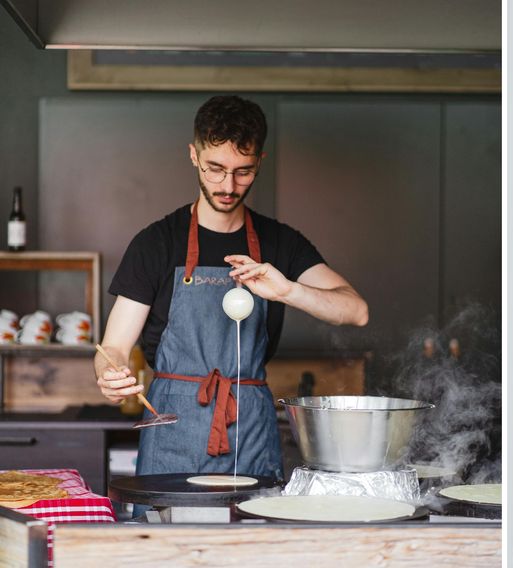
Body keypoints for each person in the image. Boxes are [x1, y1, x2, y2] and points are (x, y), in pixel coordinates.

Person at [94, 96, 368, 492]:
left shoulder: (280, 243)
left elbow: (355, 310)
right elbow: (113, 348)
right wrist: (110, 375)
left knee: (251, 545)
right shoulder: (156, 243)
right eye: (216, 169)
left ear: (259, 162)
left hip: (250, 429)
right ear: (194, 155)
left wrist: (289, 290)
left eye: (243, 172)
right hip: (173, 428)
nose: (228, 186)